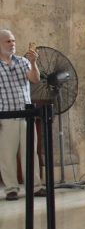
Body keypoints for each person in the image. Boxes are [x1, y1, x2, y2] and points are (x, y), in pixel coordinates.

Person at [0, 29, 46, 201]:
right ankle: (11, 189)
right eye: (7, 41)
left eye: (13, 41)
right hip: (6, 116)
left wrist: (33, 63)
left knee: (30, 153)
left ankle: (34, 187)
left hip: (27, 115)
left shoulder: (23, 61)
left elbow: (35, 79)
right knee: (7, 154)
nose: (12, 44)